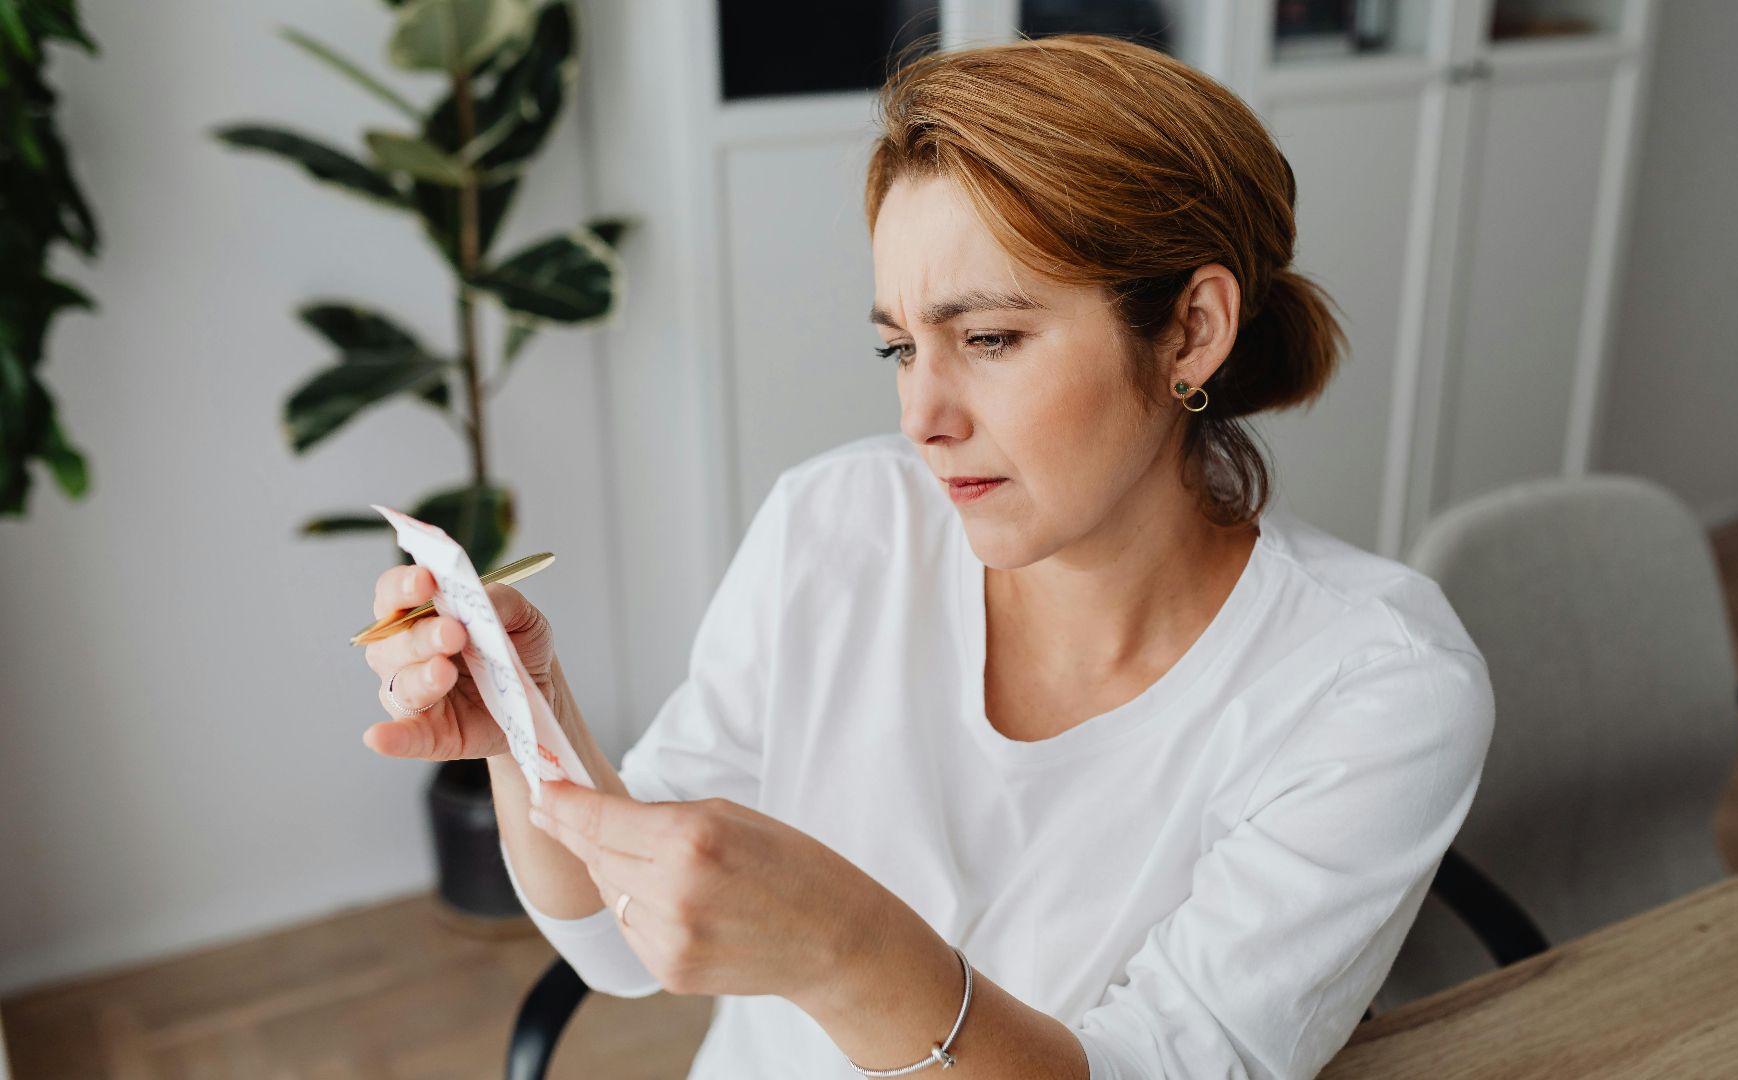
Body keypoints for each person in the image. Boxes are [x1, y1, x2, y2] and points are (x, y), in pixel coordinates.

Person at [359, 33, 1494, 1080]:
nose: (923, 416)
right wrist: (528, 727)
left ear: (1192, 330)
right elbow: (618, 938)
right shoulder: (838, 524)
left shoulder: (1376, 687)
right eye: (902, 347)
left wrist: (849, 951)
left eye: (990, 339)